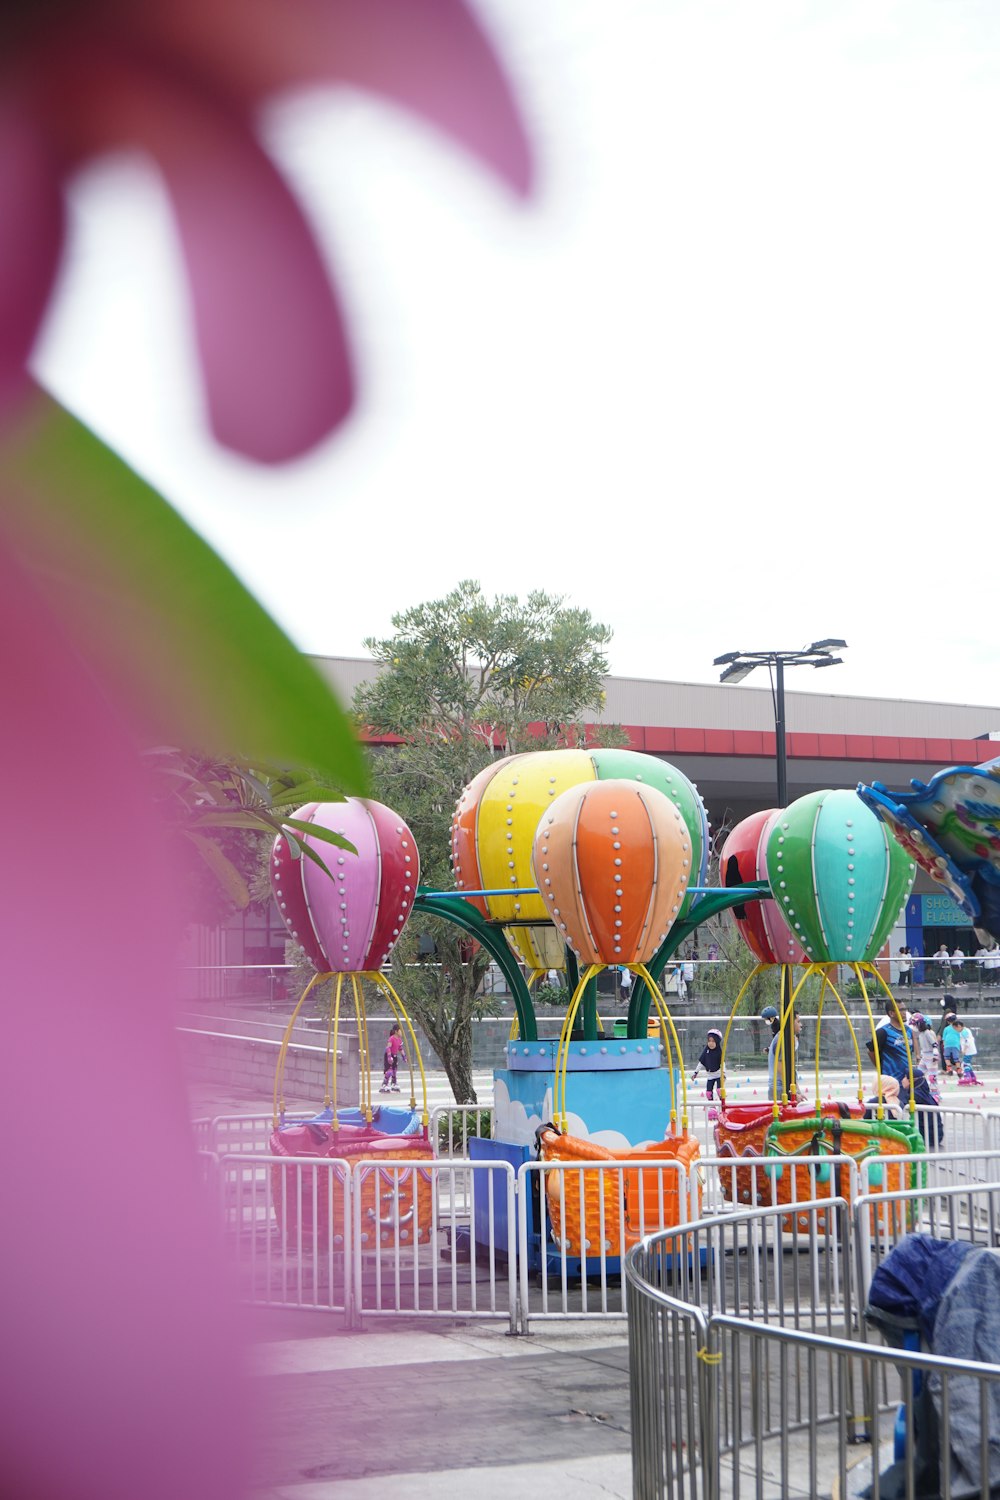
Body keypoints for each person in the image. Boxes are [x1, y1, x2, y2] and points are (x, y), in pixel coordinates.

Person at [767, 1013, 802, 1101]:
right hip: (780, 1090)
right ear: (790, 1023)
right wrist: (794, 1092)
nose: (801, 1025)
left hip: (780, 1088)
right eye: (798, 1021)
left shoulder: (785, 1037)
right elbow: (781, 1068)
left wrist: (797, 1091)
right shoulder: (783, 1040)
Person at [692, 1027, 723, 1099]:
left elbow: (723, 1063)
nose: (711, 1043)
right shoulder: (706, 1051)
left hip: (719, 1074)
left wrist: (723, 1074)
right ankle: (712, 1106)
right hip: (710, 1074)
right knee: (708, 1093)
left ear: (717, 1042)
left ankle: (722, 1104)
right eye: (709, 1041)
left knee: (719, 1090)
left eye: (713, 1041)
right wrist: (695, 1073)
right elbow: (701, 1062)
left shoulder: (719, 1051)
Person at [380, 1022, 405, 1093]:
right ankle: (384, 1084)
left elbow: (400, 1048)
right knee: (389, 1071)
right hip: (389, 1055)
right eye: (400, 1031)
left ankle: (393, 1083)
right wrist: (389, 1056)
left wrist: (404, 1056)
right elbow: (388, 1047)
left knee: (394, 1071)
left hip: (395, 1056)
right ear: (396, 1031)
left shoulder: (399, 1039)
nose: (401, 1032)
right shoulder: (391, 1038)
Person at [915, 1016, 940, 1085]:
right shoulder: (921, 1034)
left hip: (930, 1055)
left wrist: (935, 1055)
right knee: (918, 1073)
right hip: (925, 1056)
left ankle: (935, 1093)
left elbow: (934, 1044)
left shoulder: (927, 1032)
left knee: (932, 1076)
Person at [958, 1022, 980, 1086]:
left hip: (968, 1050)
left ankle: (967, 1078)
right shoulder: (966, 1030)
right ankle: (972, 1077)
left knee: (965, 1064)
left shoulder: (964, 1031)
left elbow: (967, 1041)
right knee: (967, 1063)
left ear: (959, 1026)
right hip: (970, 1050)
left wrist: (964, 1049)